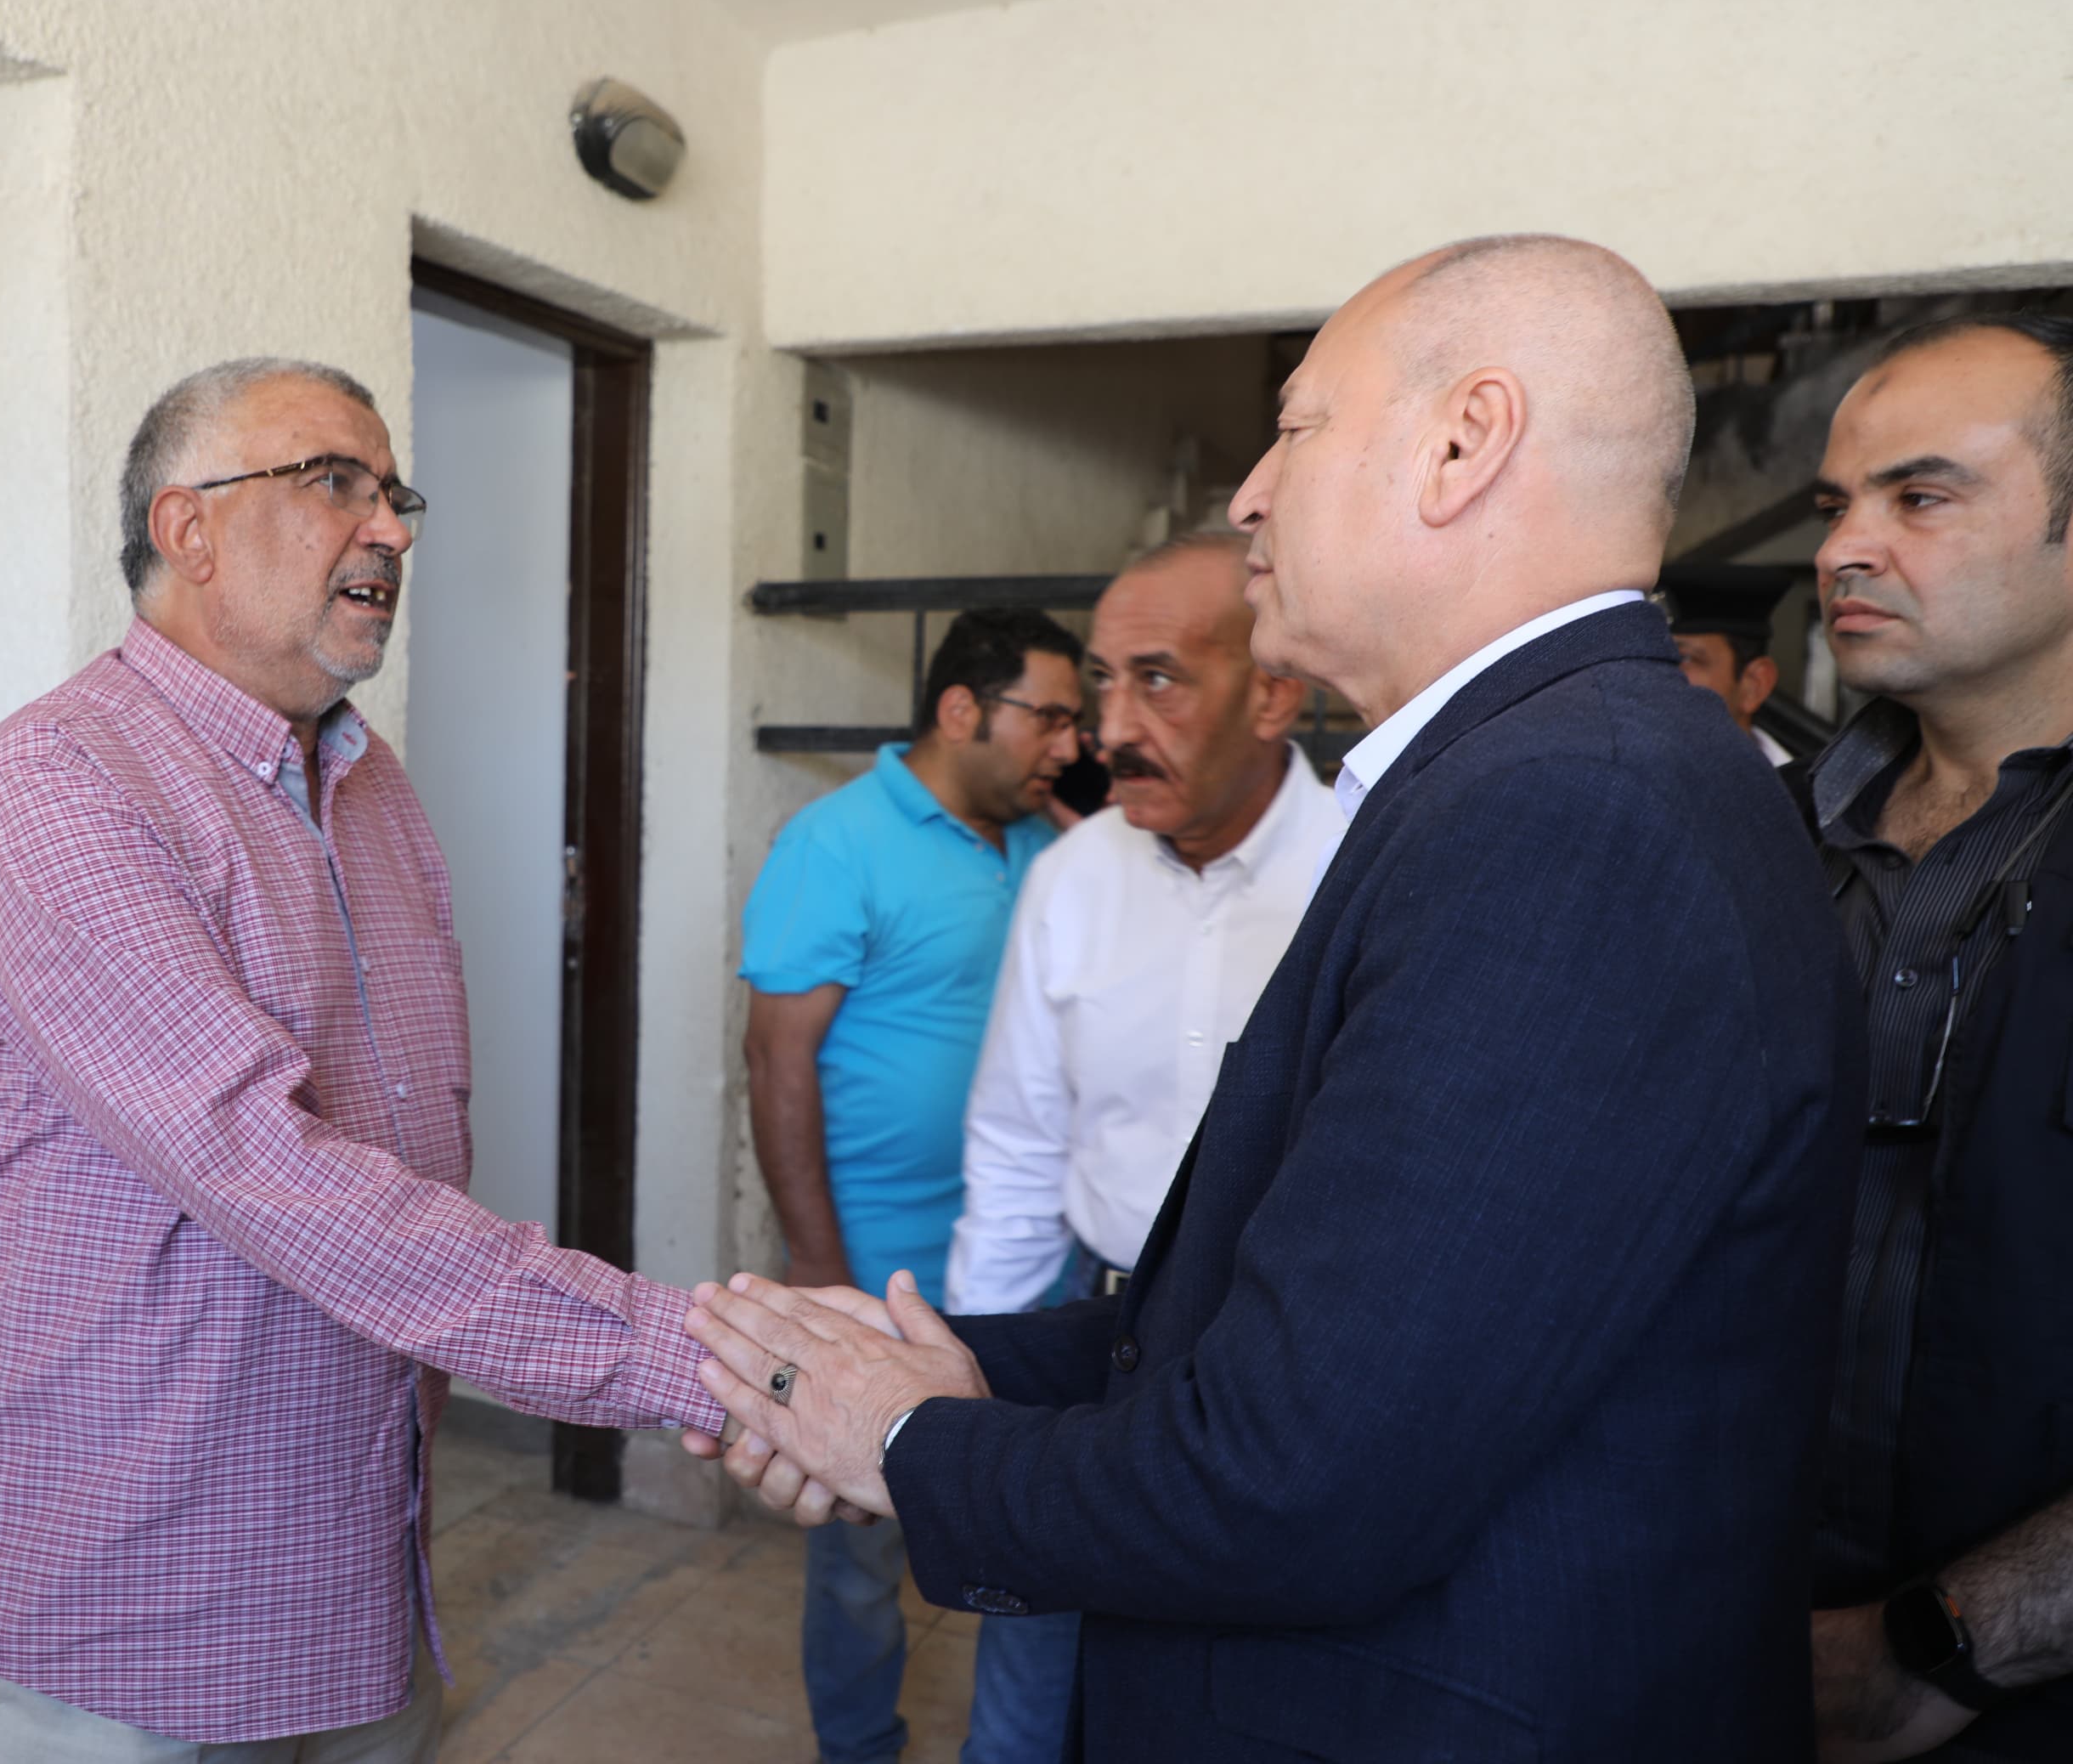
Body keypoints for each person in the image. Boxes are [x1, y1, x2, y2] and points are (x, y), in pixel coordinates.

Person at [688, 235, 1863, 1761]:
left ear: (1464, 443)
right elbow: (1279, 1327)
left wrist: (905, 1437)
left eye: (1296, 427)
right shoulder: (1545, 775)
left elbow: (1297, 1476)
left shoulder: (1578, 818)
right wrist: (964, 1364)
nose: (1248, 494)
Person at [0, 358, 733, 1762]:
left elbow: (403, 1157)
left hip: (350, 1585)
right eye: (335, 482)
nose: (389, 528)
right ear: (190, 529)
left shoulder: (371, 787)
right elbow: (268, 1168)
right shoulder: (62, 782)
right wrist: (693, 1359)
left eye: (394, 493)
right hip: (103, 1621)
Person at [939, 528, 1343, 1748]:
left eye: (1158, 679)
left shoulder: (1362, 875)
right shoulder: (1072, 879)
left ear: (1273, 694)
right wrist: (973, 1392)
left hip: (1281, 1366)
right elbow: (1018, 1147)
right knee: (1023, 1710)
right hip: (1085, 1340)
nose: (1110, 728)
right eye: (1104, 682)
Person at [1793, 311, 2073, 1763]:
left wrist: (1943, 1650)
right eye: (1836, 503)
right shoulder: (1755, 853)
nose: (1846, 548)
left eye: (1921, 497)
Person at [738, 607, 1082, 1764]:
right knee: (858, 1552)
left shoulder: (1049, 846)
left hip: (1032, 1275)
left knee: (1037, 1537)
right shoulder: (835, 841)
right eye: (1049, 717)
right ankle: (858, 1748)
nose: (1070, 745)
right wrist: (817, 1262)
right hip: (882, 1275)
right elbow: (776, 1058)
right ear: (961, 709)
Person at [1663, 562, 1800, 766]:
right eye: (1644, 657)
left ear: (1755, 685)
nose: (1651, 675)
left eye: (1685, 658)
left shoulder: (1802, 785)